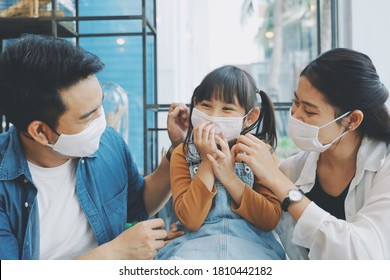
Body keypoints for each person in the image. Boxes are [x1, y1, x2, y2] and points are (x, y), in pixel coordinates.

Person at [0, 34, 189, 260]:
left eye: (100, 105)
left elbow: (138, 204)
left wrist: (177, 147)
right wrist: (113, 254)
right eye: (88, 116)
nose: (102, 121)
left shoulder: (108, 142)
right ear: (40, 132)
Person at [234, 48, 390, 259]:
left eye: (309, 111)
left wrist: (283, 187)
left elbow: (361, 255)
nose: (295, 115)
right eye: (296, 102)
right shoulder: (291, 170)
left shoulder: (384, 168)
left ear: (352, 120)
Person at [156, 65, 285, 260]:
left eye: (227, 109)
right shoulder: (182, 154)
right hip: (193, 247)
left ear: (250, 117)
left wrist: (230, 178)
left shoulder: (260, 154)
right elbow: (190, 220)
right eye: (206, 106)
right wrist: (208, 162)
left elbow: (269, 219)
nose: (214, 116)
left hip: (252, 248)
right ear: (194, 105)